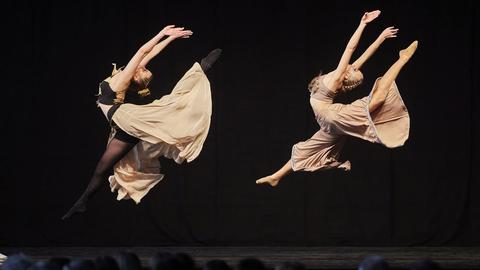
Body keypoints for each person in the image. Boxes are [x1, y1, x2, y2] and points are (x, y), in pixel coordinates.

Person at [62, 25, 221, 219]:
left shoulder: (122, 81)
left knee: (168, 107)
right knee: (102, 168)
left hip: (126, 118)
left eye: (143, 69)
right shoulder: (126, 76)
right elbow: (150, 53)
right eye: (144, 67)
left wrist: (163, 33)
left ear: (135, 76)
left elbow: (143, 51)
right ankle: (82, 202)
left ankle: (202, 67)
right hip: (122, 127)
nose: (142, 65)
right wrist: (170, 40)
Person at [256, 10, 417, 187]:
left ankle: (403, 59)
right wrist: (381, 37)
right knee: (310, 148)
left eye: (355, 70)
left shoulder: (337, 78)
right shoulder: (343, 74)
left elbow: (350, 48)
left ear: (345, 77)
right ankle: (277, 176)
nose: (354, 66)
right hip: (328, 118)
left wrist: (362, 24)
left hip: (329, 118)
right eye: (355, 69)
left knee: (377, 101)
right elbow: (365, 55)